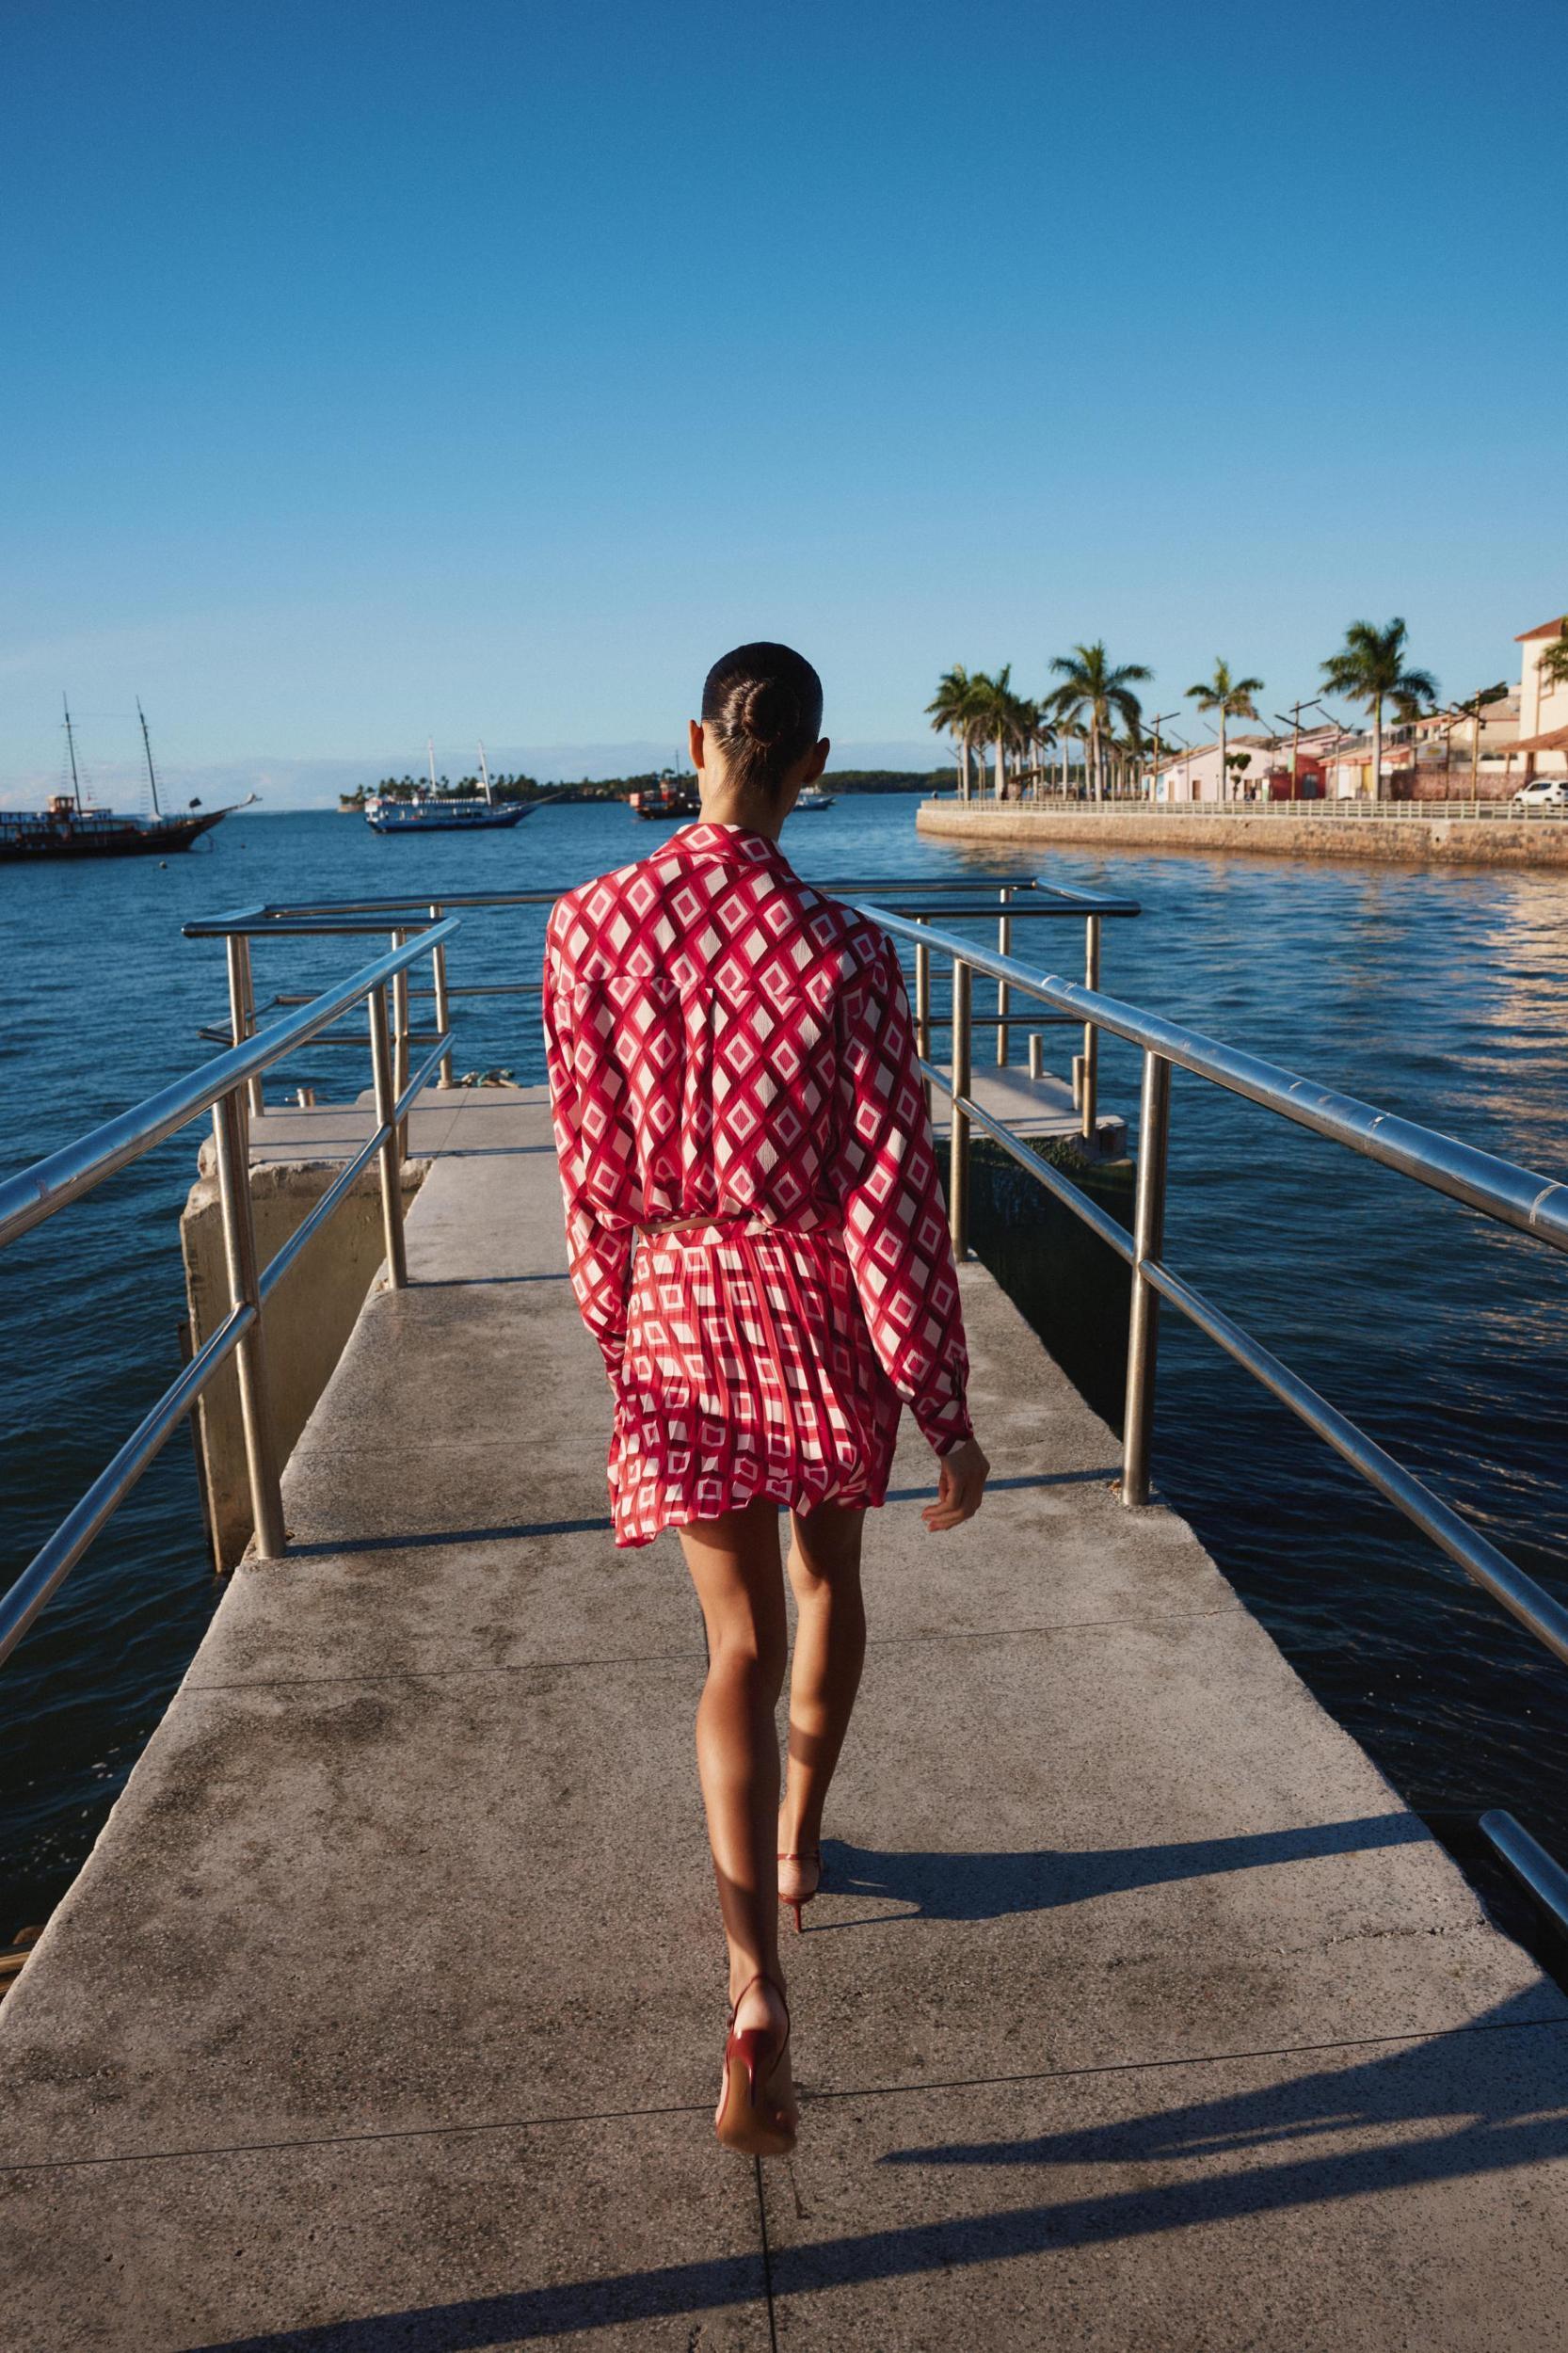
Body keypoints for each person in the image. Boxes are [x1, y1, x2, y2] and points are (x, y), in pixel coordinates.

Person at [542, 642, 988, 2159]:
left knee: (729, 1641)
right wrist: (942, 1397)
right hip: (813, 1308)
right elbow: (890, 1199)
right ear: (812, 764)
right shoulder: (848, 953)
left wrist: (627, 1331)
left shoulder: (585, 926)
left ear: (691, 745)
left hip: (675, 1306)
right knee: (828, 1578)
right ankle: (799, 1842)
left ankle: (751, 1977)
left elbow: (588, 1178)